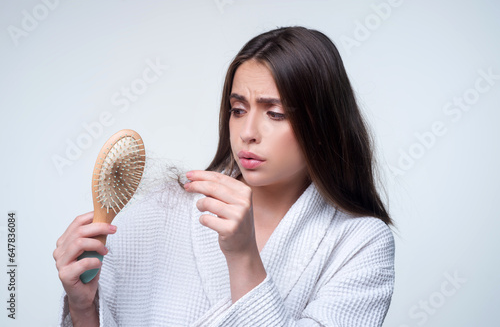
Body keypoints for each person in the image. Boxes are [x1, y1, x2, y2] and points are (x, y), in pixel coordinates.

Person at [54, 26, 396, 326]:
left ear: (322, 125)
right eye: (237, 110)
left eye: (274, 113)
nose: (247, 132)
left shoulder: (361, 243)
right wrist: (83, 309)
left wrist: (244, 256)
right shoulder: (163, 210)